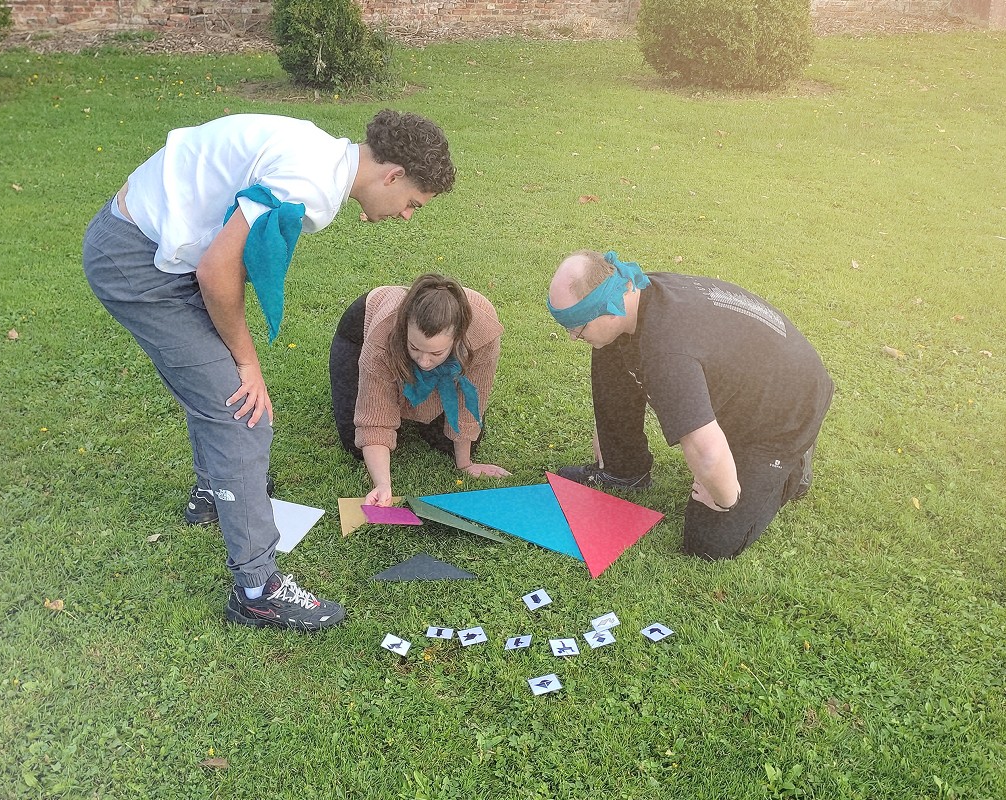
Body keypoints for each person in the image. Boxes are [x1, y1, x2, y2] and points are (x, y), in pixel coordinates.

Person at [83, 110, 455, 631]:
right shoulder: (312, 180)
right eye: (413, 203)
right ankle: (258, 591)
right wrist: (247, 361)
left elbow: (229, 256)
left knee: (220, 396)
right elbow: (218, 270)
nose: (408, 215)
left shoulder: (323, 155)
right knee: (242, 413)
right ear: (391, 175)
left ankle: (215, 491)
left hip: (146, 246)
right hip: (137, 260)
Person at [547, 250, 834, 560]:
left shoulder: (666, 354)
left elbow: (707, 453)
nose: (573, 337)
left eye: (577, 328)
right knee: (607, 344)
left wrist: (726, 499)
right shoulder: (637, 295)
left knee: (708, 543)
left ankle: (795, 461)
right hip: (754, 374)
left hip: (788, 409)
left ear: (607, 308)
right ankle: (624, 470)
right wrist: (609, 437)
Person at [330, 273, 510, 505]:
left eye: (436, 353)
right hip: (359, 331)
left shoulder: (481, 333)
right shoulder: (382, 336)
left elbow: (472, 397)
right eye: (415, 348)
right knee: (356, 444)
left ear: (458, 339)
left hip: (455, 340)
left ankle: (419, 392)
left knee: (451, 443)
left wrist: (465, 464)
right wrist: (383, 485)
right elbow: (373, 416)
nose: (424, 362)